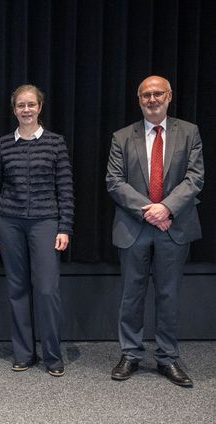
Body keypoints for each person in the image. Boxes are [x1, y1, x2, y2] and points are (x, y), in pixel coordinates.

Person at [106, 75, 203, 387]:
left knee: (168, 295)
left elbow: (195, 177)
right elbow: (114, 181)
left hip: (174, 226)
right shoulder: (122, 137)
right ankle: (130, 354)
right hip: (134, 227)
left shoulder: (189, 132)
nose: (152, 99)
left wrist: (167, 208)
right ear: (138, 99)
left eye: (157, 93)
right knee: (131, 295)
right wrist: (150, 210)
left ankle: (167, 357)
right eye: (146, 95)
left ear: (169, 96)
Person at [0, 84, 74, 377]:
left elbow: (65, 188)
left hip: (45, 222)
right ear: (14, 110)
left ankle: (52, 355)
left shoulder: (55, 143)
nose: (26, 110)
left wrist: (65, 226)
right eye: (21, 105)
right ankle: (23, 353)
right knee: (17, 288)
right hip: (7, 222)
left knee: (47, 289)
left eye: (31, 105)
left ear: (40, 107)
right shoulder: (2, 145)